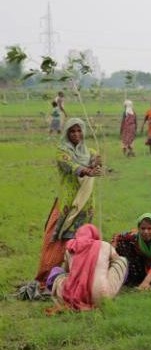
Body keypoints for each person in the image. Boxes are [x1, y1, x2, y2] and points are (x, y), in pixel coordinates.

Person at [35, 118, 103, 287]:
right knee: (56, 240)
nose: (76, 134)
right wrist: (86, 170)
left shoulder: (91, 152)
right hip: (67, 205)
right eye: (72, 131)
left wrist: (96, 164)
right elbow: (71, 166)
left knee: (81, 241)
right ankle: (48, 276)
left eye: (79, 131)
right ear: (66, 133)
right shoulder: (62, 151)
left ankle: (75, 277)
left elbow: (96, 164)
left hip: (85, 205)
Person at [49, 224, 128, 311]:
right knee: (122, 260)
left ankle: (78, 293)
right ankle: (114, 290)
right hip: (102, 297)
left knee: (57, 272)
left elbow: (67, 271)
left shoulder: (71, 247)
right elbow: (115, 259)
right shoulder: (105, 245)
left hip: (74, 295)